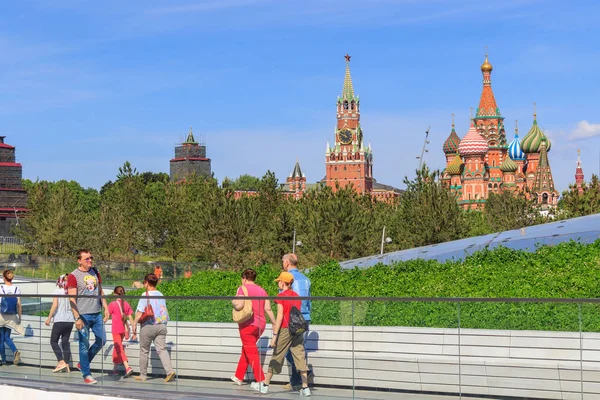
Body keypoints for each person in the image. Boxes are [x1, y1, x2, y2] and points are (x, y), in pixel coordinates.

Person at [251, 272, 311, 397]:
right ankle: (305, 388)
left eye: (279, 281)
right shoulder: (296, 296)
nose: (278, 283)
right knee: (300, 356)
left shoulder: (281, 296)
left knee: (277, 355)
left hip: (285, 329)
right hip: (298, 329)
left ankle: (265, 385)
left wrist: (274, 335)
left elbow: (279, 317)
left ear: (283, 283)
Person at [67, 249, 109, 384]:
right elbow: (71, 298)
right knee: (84, 345)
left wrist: (106, 307)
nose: (90, 260)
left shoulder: (95, 271)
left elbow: (100, 290)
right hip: (83, 315)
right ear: (79, 261)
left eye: (91, 258)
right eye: (87, 259)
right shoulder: (73, 276)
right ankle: (86, 374)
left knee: (102, 340)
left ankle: (82, 364)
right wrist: (77, 318)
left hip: (97, 313)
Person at [231, 269, 276, 386]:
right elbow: (268, 309)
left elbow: (239, 304)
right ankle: (238, 376)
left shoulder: (242, 288)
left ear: (244, 278)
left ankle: (261, 381)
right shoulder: (262, 290)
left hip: (247, 324)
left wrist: (233, 301)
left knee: (251, 351)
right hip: (260, 325)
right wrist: (274, 323)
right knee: (247, 348)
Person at [133, 273, 175, 383]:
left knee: (144, 351)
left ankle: (143, 375)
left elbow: (139, 313)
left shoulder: (145, 295)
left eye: (144, 283)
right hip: (161, 326)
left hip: (149, 325)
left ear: (147, 283)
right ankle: (170, 371)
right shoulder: (161, 294)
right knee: (162, 349)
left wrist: (133, 324)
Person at [282, 253, 313, 390]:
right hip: (305, 317)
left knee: (286, 350)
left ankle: (305, 372)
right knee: (297, 349)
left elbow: (284, 299)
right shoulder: (306, 279)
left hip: (292, 318)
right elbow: (310, 299)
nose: (283, 264)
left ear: (287, 262)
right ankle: (296, 380)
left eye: (283, 262)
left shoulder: (288, 278)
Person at [45, 274, 74, 372]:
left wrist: (49, 318)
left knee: (53, 341)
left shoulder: (57, 291)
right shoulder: (71, 291)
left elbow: (55, 305)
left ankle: (61, 362)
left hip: (59, 319)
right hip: (70, 320)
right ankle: (67, 364)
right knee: (65, 341)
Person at [104, 286, 135, 377]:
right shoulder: (126, 304)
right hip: (122, 330)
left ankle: (127, 367)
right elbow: (130, 318)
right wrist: (134, 330)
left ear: (114, 294)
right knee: (117, 348)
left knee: (119, 348)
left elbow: (107, 316)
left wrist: (102, 322)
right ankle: (115, 370)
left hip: (116, 330)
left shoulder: (112, 304)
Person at [0, 269, 22, 366]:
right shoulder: (17, 289)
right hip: (12, 316)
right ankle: (15, 351)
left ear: (3, 278)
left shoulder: (1, 288)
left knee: (1, 338)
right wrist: (20, 317)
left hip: (1, 315)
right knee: (7, 337)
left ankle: (3, 360)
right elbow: (19, 305)